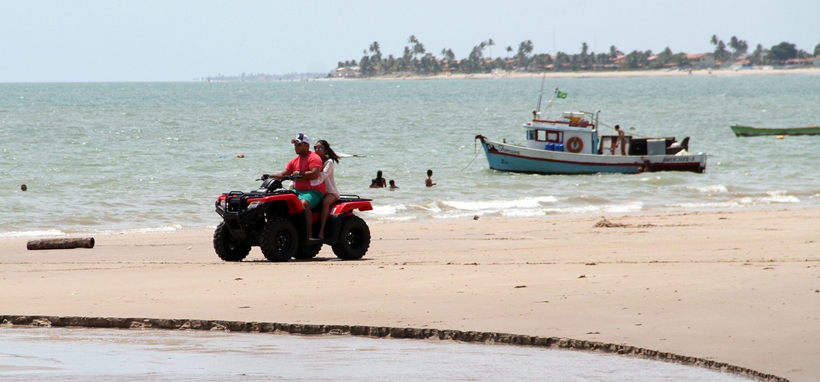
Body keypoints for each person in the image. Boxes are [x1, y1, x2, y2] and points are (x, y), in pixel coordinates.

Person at [264, 133, 325, 239]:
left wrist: (299, 174)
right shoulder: (294, 161)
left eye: (299, 145)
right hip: (297, 191)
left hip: (314, 192)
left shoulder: (314, 158)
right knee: (280, 200)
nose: (296, 147)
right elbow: (283, 174)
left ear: (307, 145)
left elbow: (315, 174)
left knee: (304, 203)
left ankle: (308, 233)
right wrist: (269, 176)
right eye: (295, 145)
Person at [312, 139, 341, 239]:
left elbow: (322, 176)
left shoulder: (328, 162)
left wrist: (308, 175)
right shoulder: (313, 161)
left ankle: (322, 230)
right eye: (315, 148)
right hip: (319, 191)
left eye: (320, 148)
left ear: (326, 151)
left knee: (325, 203)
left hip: (330, 191)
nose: (317, 150)